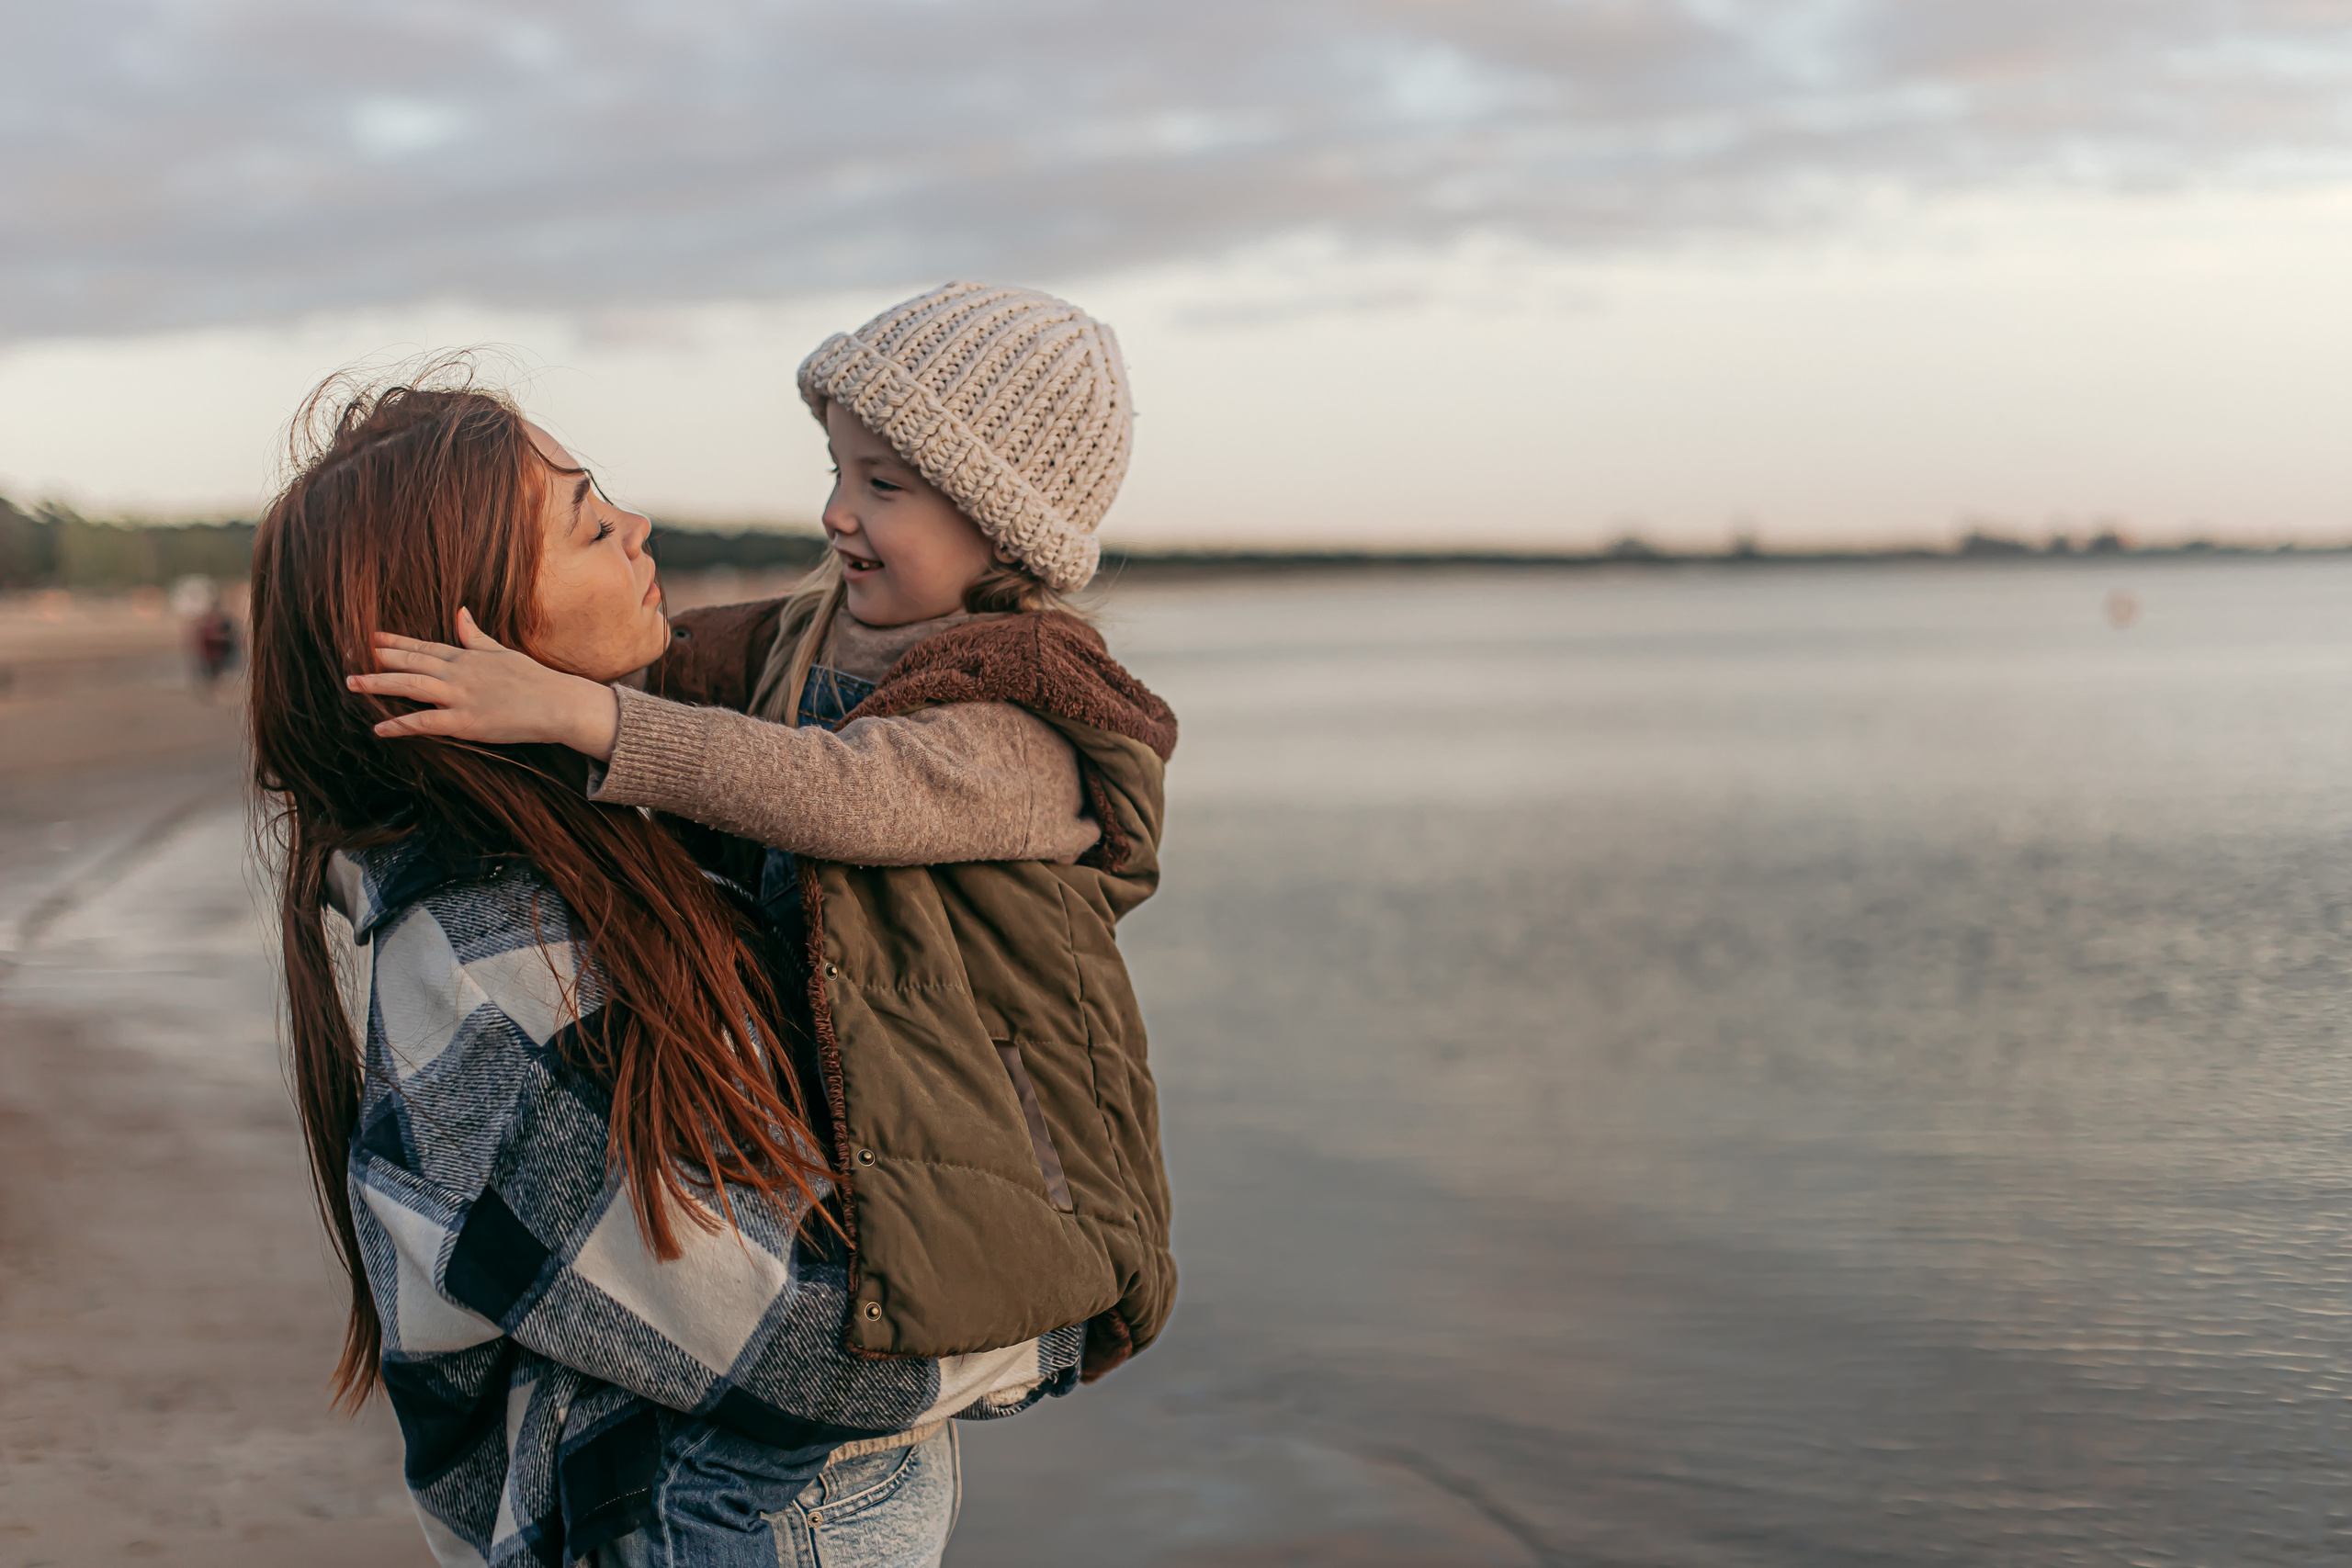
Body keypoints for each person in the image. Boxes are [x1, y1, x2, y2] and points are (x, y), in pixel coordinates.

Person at [252, 368, 1083, 1568]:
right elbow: (789, 1340)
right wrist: (1059, 1315)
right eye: (590, 520)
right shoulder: (489, 958)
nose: (637, 528)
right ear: (480, 619)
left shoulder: (592, 849)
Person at [352, 283, 1179, 1391]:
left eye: (881, 486)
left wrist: (576, 713)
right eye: (836, 471)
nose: (838, 512)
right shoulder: (813, 632)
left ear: (1002, 524)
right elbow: (658, 654)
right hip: (845, 1093)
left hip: (985, 1127)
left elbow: (843, 794)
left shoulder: (1021, 715)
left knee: (910, 1301)